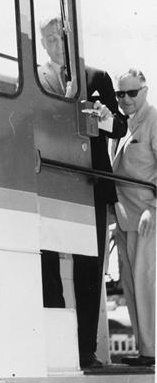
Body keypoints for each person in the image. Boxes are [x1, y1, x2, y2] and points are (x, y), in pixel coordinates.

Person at [73, 66, 127, 368]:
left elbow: (119, 127)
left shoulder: (98, 77)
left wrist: (103, 116)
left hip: (91, 181)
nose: (57, 44)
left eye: (60, 37)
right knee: (49, 266)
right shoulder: (37, 75)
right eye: (50, 39)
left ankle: (86, 351)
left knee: (90, 270)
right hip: (51, 176)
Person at [110, 68, 156, 367]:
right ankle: (146, 350)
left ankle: (152, 350)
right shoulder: (124, 125)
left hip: (148, 216)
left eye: (131, 93)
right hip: (127, 218)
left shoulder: (153, 120)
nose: (125, 99)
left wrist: (153, 206)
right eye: (120, 94)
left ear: (145, 91)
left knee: (146, 282)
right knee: (131, 284)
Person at [37, 16, 75, 97]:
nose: (60, 45)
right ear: (43, 43)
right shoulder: (33, 79)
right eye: (52, 40)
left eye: (63, 38)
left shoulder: (97, 76)